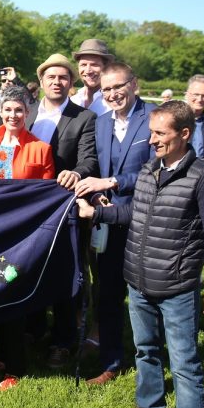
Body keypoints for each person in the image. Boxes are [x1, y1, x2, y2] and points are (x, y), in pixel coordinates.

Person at [76, 100, 204, 408]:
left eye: (160, 134)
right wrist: (96, 212)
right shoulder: (149, 169)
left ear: (184, 135)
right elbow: (133, 212)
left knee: (185, 367)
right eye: (151, 133)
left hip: (176, 288)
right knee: (146, 352)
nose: (152, 140)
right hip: (138, 282)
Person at [73, 63, 157, 385]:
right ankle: (111, 361)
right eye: (106, 90)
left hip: (147, 220)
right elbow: (94, 164)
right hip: (106, 221)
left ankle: (153, 356)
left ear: (134, 84)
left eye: (117, 87)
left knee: (146, 296)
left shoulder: (152, 119)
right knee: (107, 293)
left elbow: (155, 173)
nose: (111, 94)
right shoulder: (102, 122)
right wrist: (94, 196)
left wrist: (110, 183)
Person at [0, 86, 54, 382]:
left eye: (19, 109)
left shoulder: (40, 148)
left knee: (14, 292)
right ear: (0, 111)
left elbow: (46, 195)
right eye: (8, 109)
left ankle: (15, 367)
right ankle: (1, 357)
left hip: (21, 236)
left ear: (28, 112)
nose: (13, 115)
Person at [26, 53, 98, 368]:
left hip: (63, 206)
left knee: (68, 274)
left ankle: (63, 339)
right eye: (51, 77)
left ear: (71, 82)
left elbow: (89, 159)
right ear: (41, 81)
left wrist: (77, 173)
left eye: (63, 77)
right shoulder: (26, 113)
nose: (57, 82)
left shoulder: (84, 118)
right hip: (27, 207)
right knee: (28, 268)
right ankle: (35, 327)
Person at [70, 39, 115, 116]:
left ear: (106, 67)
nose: (88, 71)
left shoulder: (115, 102)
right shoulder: (73, 100)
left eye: (94, 65)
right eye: (83, 65)